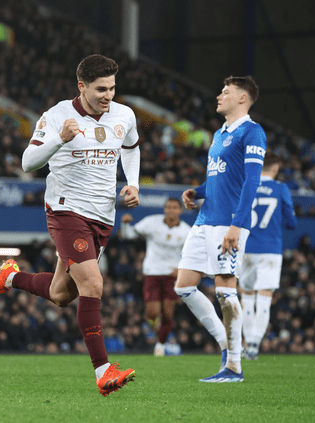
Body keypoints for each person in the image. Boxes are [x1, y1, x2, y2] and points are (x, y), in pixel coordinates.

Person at [0, 54, 141, 396]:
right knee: (93, 285)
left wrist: (133, 183)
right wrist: (60, 140)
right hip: (67, 211)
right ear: (81, 86)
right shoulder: (57, 116)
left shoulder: (124, 115)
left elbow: (131, 147)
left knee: (61, 294)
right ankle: (103, 371)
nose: (108, 96)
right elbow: (27, 162)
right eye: (101, 89)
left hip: (103, 215)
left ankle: (9, 277)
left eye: (113, 88)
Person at [175, 75, 267, 383]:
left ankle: (234, 366)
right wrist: (197, 192)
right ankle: (226, 344)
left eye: (225, 92)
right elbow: (221, 177)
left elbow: (252, 181)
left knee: (226, 291)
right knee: (184, 286)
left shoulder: (252, 132)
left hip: (228, 222)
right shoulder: (219, 134)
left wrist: (237, 226)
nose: (219, 96)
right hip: (204, 220)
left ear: (242, 98)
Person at [239, 151, 297, 360]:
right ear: (275, 169)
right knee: (264, 299)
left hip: (246, 248)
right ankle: (254, 345)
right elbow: (291, 222)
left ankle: (246, 344)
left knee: (246, 297)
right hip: (270, 250)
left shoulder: (247, 185)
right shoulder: (280, 188)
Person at [119, 197, 191, 356]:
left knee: (168, 313)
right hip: (152, 272)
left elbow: (192, 255)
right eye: (168, 207)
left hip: (172, 275)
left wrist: (182, 270)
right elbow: (128, 235)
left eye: (174, 207)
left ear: (180, 210)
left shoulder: (187, 231)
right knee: (152, 312)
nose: (171, 210)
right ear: (164, 209)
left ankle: (161, 344)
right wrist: (125, 224)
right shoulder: (151, 222)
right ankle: (155, 329)